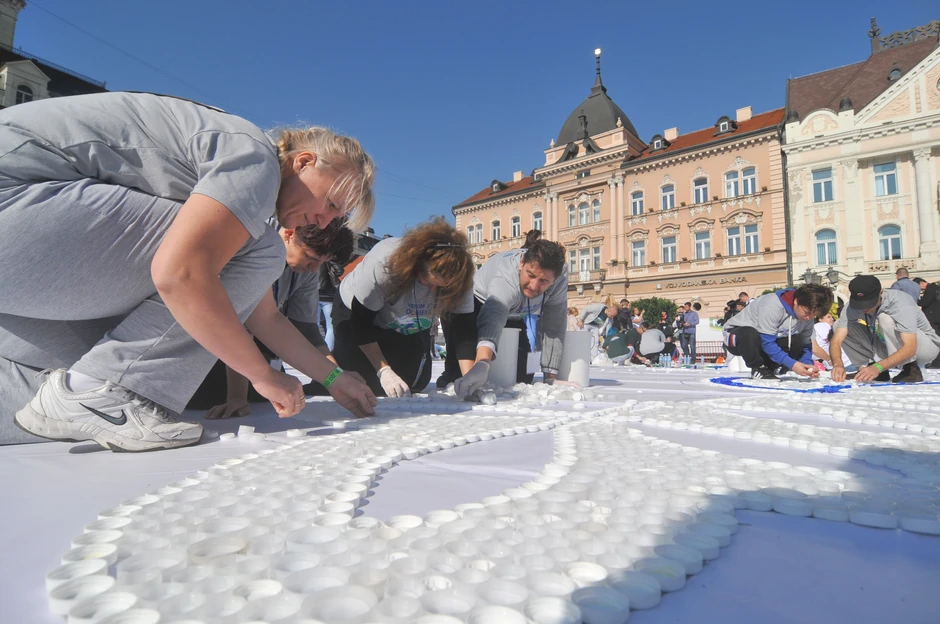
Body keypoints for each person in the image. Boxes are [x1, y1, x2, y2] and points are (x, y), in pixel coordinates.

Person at [0, 92, 377, 450]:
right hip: (16, 200)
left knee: (71, 387)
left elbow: (266, 318)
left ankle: (84, 392)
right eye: (330, 203)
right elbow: (182, 274)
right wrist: (264, 378)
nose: (326, 222)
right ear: (304, 162)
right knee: (261, 249)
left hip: (25, 245)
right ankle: (93, 392)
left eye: (337, 217)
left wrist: (333, 378)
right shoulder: (255, 161)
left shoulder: (245, 195)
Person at [190, 220, 355, 418]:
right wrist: (236, 397)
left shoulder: (304, 273)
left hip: (257, 359)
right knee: (210, 401)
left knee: (277, 399)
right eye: (310, 258)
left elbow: (308, 331)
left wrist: (337, 378)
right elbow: (239, 324)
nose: (314, 269)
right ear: (289, 234)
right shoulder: (254, 248)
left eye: (321, 262)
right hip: (217, 350)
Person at [333, 218, 477, 398]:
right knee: (360, 384)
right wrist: (384, 371)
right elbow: (361, 323)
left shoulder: (461, 275)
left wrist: (470, 378)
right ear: (418, 264)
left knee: (413, 383)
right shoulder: (386, 262)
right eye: (429, 282)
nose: (432, 291)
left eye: (441, 287)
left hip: (406, 321)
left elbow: (464, 330)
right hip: (356, 313)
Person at [448, 240, 569, 398]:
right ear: (521, 264)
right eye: (530, 275)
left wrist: (551, 377)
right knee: (461, 376)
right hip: (479, 304)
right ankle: (453, 369)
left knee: (522, 377)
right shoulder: (505, 276)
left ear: (555, 279)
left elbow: (555, 322)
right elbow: (493, 316)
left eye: (544, 281)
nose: (533, 286)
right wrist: (482, 363)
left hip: (516, 314)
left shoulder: (560, 275)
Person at [830, 275, 940, 384]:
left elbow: (910, 347)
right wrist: (838, 364)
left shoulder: (900, 302)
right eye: (860, 303)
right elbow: (836, 340)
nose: (864, 308)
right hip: (889, 347)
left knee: (884, 318)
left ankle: (910, 369)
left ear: (881, 292)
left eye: (869, 302)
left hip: (924, 348)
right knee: (838, 325)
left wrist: (879, 367)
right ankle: (869, 367)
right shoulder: (850, 307)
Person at [722, 285, 834, 380]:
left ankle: (771, 367)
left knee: (796, 340)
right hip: (737, 338)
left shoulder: (808, 318)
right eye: (806, 312)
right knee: (750, 334)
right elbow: (767, 342)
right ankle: (758, 368)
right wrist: (793, 364)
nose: (809, 317)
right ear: (796, 301)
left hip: (764, 342)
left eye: (813, 315)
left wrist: (807, 364)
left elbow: (806, 345)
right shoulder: (772, 306)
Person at [317, 260, 343, 351]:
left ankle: (312, 350)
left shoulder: (311, 260)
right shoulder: (327, 258)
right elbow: (340, 271)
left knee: (313, 324)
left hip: (313, 294)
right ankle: (327, 352)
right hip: (328, 296)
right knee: (330, 326)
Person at [915, 278, 940, 368]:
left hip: (934, 318)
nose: (920, 289)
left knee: (936, 339)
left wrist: (916, 300)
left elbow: (924, 302)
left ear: (922, 283)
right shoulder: (935, 288)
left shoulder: (931, 288)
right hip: (936, 317)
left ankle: (937, 362)